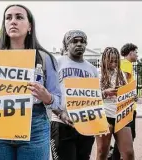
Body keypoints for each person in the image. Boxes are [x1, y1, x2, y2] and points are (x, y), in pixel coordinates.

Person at [0, 4, 62, 160]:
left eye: (19, 17)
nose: (13, 21)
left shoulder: (45, 58)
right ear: (4, 25)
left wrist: (47, 97)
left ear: (30, 26)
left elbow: (59, 101)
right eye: (8, 18)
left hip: (34, 127)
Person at [50, 30, 98, 160]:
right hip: (61, 122)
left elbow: (95, 98)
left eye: (82, 41)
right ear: (67, 44)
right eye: (74, 41)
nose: (79, 44)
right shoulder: (56, 63)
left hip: (85, 124)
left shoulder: (92, 69)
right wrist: (60, 113)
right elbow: (48, 93)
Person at [96, 47, 134, 160]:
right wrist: (104, 93)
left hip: (121, 114)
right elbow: (90, 97)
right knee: (102, 151)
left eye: (115, 61)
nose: (113, 63)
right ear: (104, 60)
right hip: (104, 115)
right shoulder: (97, 73)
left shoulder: (121, 74)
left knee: (128, 153)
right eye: (111, 60)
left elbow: (127, 92)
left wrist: (132, 96)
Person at [112, 43, 138, 160]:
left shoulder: (122, 64)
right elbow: (125, 83)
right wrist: (131, 96)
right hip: (127, 107)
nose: (137, 55)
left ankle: (116, 156)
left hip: (125, 106)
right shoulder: (126, 64)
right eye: (136, 52)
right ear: (130, 52)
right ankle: (115, 157)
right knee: (128, 137)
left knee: (125, 136)